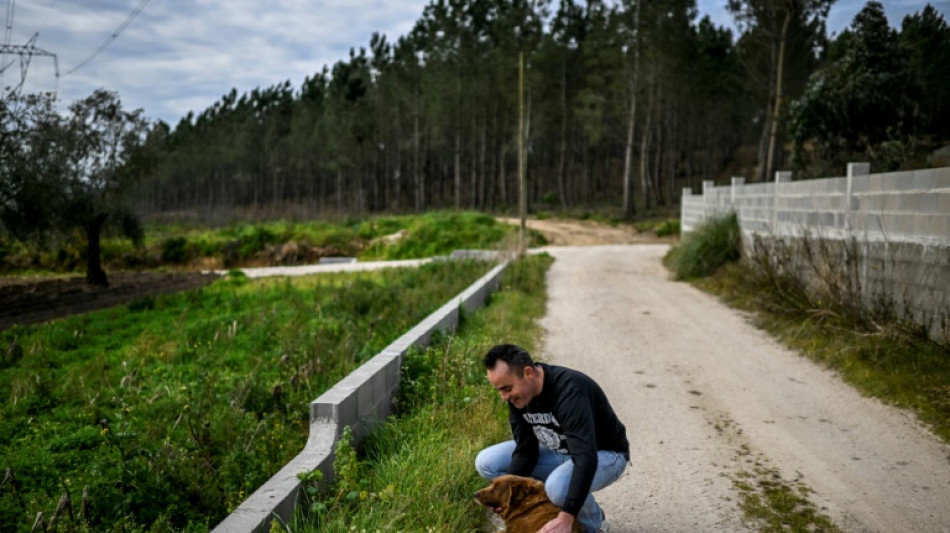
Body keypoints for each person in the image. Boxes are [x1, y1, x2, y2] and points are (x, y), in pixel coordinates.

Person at [475, 344, 629, 533]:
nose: (504, 397)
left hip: (602, 454)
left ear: (528, 373)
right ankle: (552, 508)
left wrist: (567, 516)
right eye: (499, 390)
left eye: (506, 388)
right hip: (559, 452)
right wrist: (505, 495)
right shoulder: (519, 396)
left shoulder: (570, 391)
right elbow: (525, 450)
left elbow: (585, 458)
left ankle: (593, 524)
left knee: (558, 487)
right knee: (487, 462)